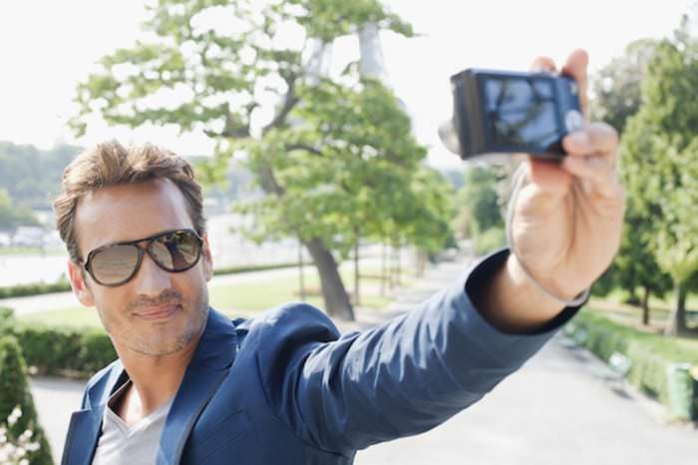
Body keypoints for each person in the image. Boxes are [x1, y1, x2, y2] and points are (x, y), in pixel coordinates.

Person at [55, 50, 624, 465]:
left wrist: (533, 281)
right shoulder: (98, 400)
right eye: (115, 261)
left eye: (173, 246)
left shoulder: (273, 376)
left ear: (205, 254)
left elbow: (396, 368)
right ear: (81, 282)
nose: (152, 281)